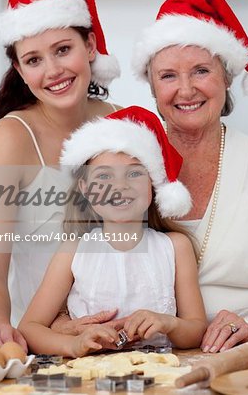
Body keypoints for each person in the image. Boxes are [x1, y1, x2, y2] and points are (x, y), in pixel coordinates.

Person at [130, 0, 248, 353]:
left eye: (201, 71)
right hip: (139, 362)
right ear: (152, 87)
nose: (185, 90)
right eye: (168, 75)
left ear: (227, 77)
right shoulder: (125, 164)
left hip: (247, 358)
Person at [0, 0, 121, 350]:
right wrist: (1, 327)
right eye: (34, 60)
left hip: (118, 336)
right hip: (46, 344)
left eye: (63, 50)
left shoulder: (117, 123)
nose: (53, 71)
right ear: (20, 70)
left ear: (89, 47)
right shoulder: (12, 137)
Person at [18, 106, 207, 357]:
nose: (119, 186)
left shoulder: (175, 246)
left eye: (133, 173)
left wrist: (169, 323)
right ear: (85, 189)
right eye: (104, 176)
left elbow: (195, 329)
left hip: (163, 377)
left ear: (153, 182)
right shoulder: (74, 251)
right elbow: (30, 328)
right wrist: (73, 345)